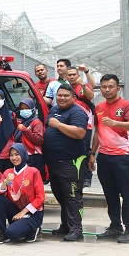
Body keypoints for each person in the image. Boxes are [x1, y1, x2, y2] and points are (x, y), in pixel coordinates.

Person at [90, 74, 129, 243]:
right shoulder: (98, 107)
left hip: (122, 157)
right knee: (110, 194)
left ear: (118, 88)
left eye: (111, 86)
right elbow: (97, 132)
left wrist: (115, 123)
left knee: (126, 194)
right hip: (104, 157)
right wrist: (92, 154)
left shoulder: (126, 105)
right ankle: (115, 227)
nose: (107, 90)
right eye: (104, 87)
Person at [43, 84, 88, 241]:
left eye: (66, 96)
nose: (62, 98)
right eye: (59, 95)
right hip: (54, 162)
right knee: (61, 195)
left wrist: (59, 125)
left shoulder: (77, 112)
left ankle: (77, 229)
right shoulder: (54, 110)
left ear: (73, 98)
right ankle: (66, 225)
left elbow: (80, 133)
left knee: (73, 196)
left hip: (71, 162)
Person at [0, 143, 45, 244]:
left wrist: (24, 212)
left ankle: (34, 229)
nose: (14, 158)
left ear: (23, 154)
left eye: (17, 154)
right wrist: (5, 182)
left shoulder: (33, 171)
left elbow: (40, 197)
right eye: (11, 155)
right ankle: (1, 232)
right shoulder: (8, 172)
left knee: (12, 233)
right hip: (16, 212)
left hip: (32, 213)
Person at [67, 66, 95, 188]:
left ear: (78, 75)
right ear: (66, 77)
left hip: (85, 124)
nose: (72, 77)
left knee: (85, 150)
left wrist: (83, 84)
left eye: (74, 74)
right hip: (69, 125)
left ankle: (87, 176)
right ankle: (74, 175)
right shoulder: (66, 88)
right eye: (70, 75)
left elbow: (90, 96)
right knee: (71, 150)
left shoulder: (84, 85)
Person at [14, 98, 45, 180]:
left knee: (33, 181)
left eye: (27, 108)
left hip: (34, 157)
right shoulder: (21, 122)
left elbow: (39, 140)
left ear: (32, 109)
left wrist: (25, 130)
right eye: (22, 108)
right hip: (23, 156)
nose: (24, 110)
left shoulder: (36, 122)